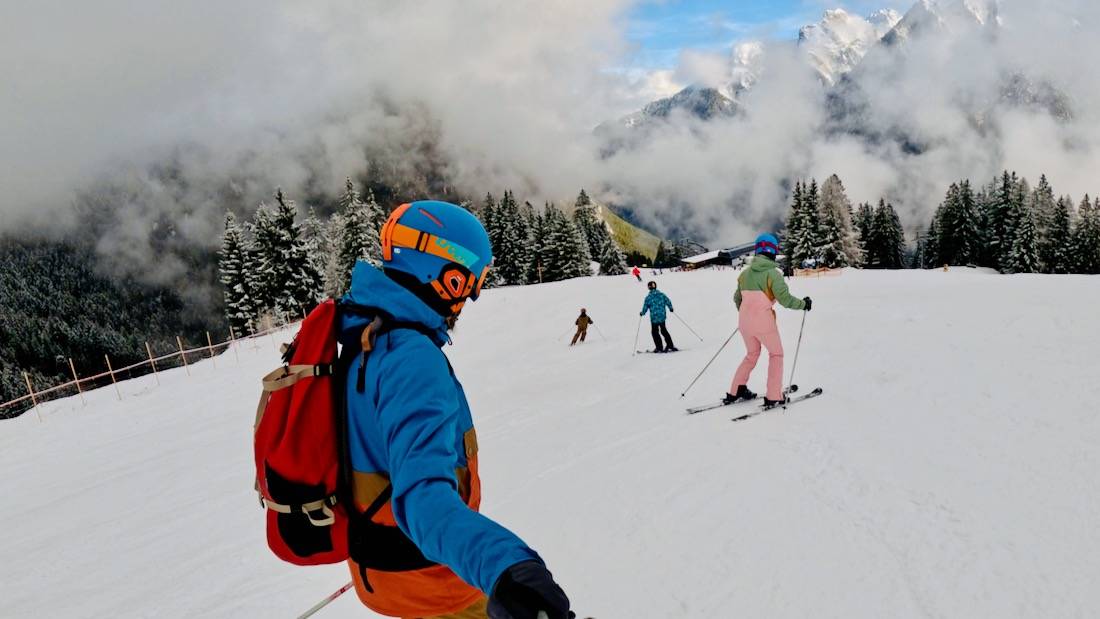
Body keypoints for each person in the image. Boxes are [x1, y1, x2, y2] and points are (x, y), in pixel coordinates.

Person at [339, 200, 572, 619]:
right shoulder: (410, 358)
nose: (473, 295)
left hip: (384, 576)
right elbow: (422, 497)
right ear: (446, 276)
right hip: (433, 584)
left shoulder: (365, 333)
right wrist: (504, 566)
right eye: (473, 279)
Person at [725, 233, 812, 409]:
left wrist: (747, 315)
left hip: (745, 323)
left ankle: (736, 390)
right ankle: (774, 396)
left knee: (751, 354)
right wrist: (804, 304)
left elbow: (737, 299)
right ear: (773, 251)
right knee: (776, 354)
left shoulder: (744, 274)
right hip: (763, 322)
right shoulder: (773, 274)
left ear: (757, 251)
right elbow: (785, 300)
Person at [639, 281, 677, 353]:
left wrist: (642, 313)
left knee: (654, 332)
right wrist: (670, 308)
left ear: (649, 288)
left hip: (654, 318)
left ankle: (659, 347)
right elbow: (668, 301)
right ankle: (670, 345)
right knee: (664, 330)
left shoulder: (648, 297)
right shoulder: (661, 295)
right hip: (662, 316)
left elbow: (645, 307)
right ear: (655, 286)